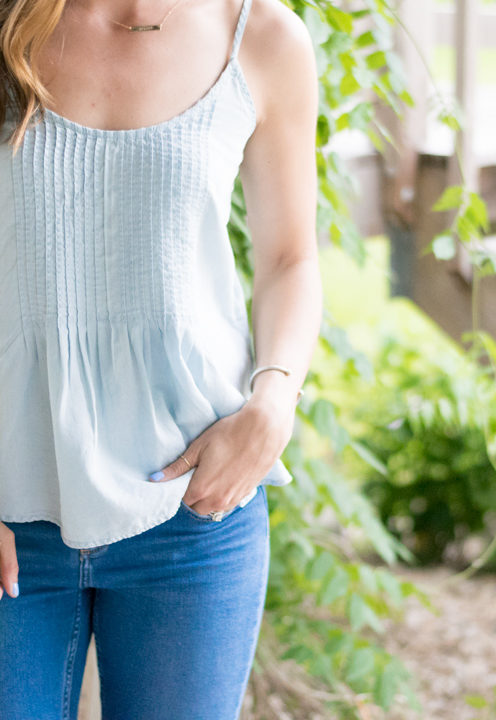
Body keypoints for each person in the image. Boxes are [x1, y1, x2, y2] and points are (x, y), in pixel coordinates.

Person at [0, 0, 322, 716]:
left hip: (196, 510)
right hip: (9, 506)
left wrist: (274, 402)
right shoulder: (8, 25)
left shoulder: (262, 38)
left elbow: (290, 257)